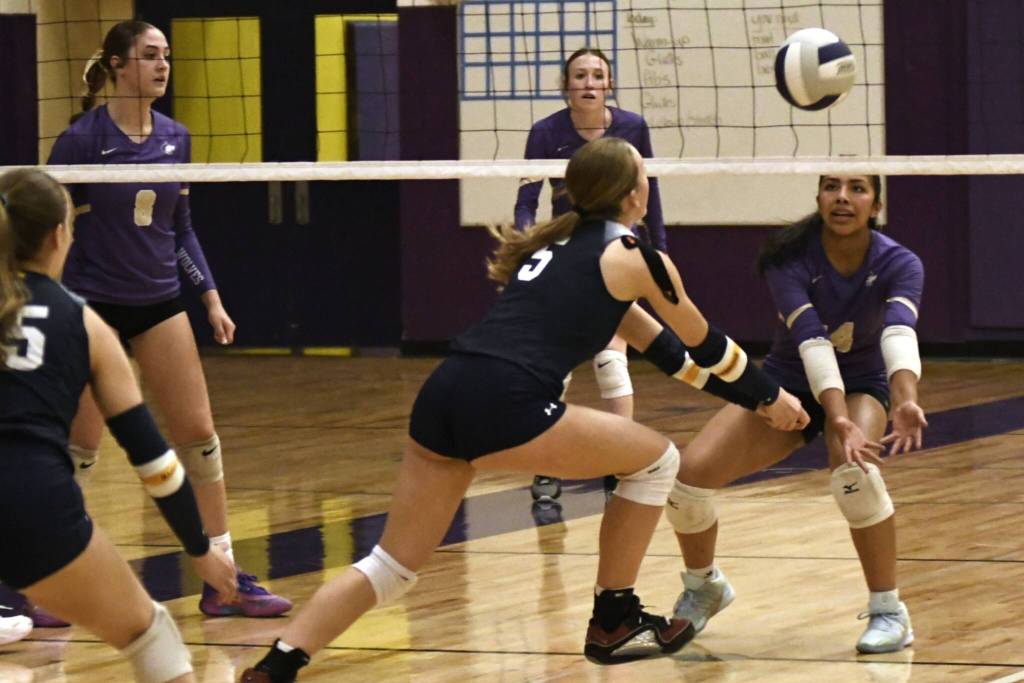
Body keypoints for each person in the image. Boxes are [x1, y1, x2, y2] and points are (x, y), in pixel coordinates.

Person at [239, 138, 809, 682]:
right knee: (658, 461)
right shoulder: (635, 256)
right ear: (635, 194)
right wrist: (771, 398)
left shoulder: (553, 248)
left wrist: (755, 403)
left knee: (392, 566)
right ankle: (614, 618)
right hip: (504, 400)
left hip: (444, 393)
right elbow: (707, 347)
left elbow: (670, 355)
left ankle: (281, 662)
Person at [45, 19, 291, 618]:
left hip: (159, 302)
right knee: (80, 446)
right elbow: (52, 232)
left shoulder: (176, 137)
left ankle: (223, 579)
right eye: (150, 55)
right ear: (118, 65)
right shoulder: (79, 142)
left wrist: (208, 296)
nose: (162, 65)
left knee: (200, 439)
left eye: (167, 56)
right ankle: (46, 579)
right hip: (92, 307)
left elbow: (179, 227)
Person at [666, 174, 926, 654]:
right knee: (688, 481)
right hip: (788, 381)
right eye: (831, 187)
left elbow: (898, 333)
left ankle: (890, 610)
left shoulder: (899, 262)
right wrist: (832, 417)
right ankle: (704, 586)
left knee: (855, 475)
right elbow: (812, 338)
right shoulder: (789, 258)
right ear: (818, 199)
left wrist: (905, 397)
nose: (843, 197)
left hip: (862, 384)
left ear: (876, 205)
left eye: (857, 189)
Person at [0, 167, 239, 681]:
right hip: (36, 508)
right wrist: (201, 550)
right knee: (152, 635)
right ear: (60, 234)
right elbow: (154, 461)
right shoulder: (85, 324)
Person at [514, 46, 667, 502]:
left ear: (609, 85)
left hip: (616, 249)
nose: (588, 83)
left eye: (597, 75)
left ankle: (621, 461)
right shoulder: (545, 133)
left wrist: (657, 252)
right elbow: (526, 198)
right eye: (579, 76)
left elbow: (651, 193)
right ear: (566, 86)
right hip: (567, 249)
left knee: (610, 357)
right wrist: (527, 242)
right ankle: (546, 467)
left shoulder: (633, 127)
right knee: (555, 365)